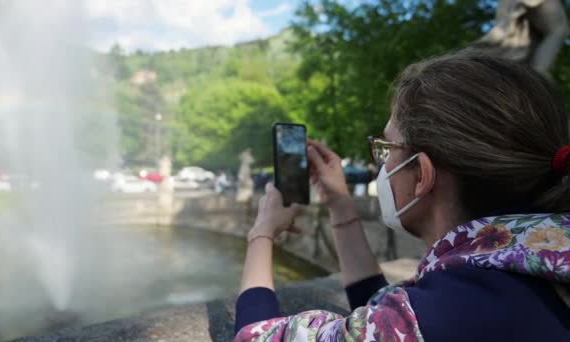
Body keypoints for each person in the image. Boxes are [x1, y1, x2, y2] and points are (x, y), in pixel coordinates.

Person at [234, 52, 570, 341]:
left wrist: (262, 231)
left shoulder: (455, 311)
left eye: (385, 149)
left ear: (422, 175)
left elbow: (257, 336)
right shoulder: (525, 259)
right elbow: (384, 312)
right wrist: (340, 203)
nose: (381, 164)